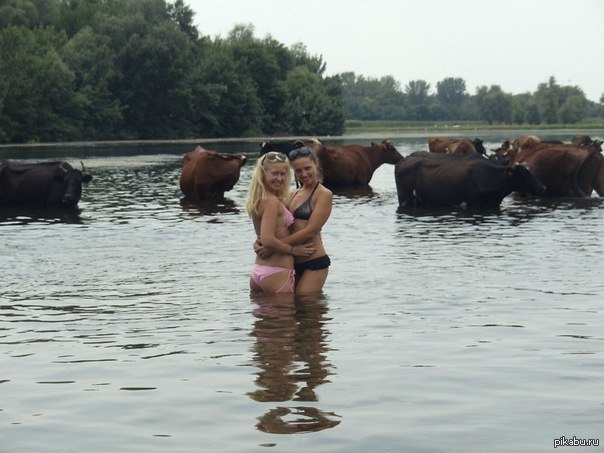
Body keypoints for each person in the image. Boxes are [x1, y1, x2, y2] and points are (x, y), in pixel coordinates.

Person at [255, 146, 333, 294]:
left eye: (307, 168)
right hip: (292, 261)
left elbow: (310, 231)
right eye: (298, 170)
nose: (304, 174)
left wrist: (270, 245)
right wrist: (260, 241)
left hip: (313, 261)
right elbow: (276, 225)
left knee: (308, 309)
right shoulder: (291, 194)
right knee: (292, 309)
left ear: (316, 164)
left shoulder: (323, 194)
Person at [245, 151, 316, 294]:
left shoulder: (259, 199)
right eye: (274, 173)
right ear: (263, 174)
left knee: (263, 316)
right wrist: (293, 250)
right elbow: (267, 239)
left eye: (283, 174)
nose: (279, 178)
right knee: (285, 316)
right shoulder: (271, 202)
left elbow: (263, 235)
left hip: (259, 270)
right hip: (277, 272)